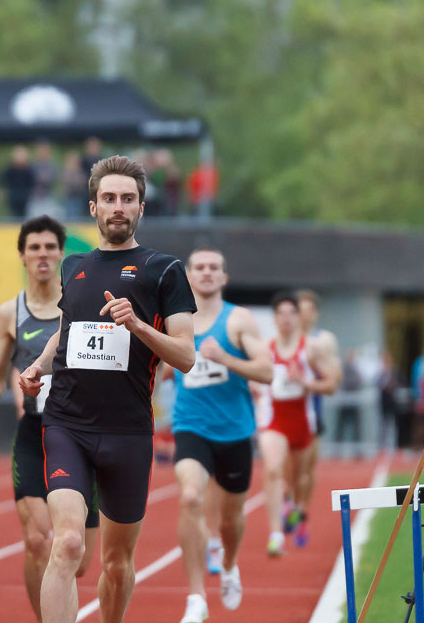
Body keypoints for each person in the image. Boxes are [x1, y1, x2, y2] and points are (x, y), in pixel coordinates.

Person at [19, 155, 196, 623]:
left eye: (128, 199)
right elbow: (67, 325)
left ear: (141, 208)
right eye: (110, 199)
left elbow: (186, 356)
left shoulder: (165, 271)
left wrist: (137, 325)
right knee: (69, 542)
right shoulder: (74, 264)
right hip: (67, 424)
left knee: (116, 565)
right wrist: (39, 365)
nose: (119, 207)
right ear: (93, 206)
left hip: (128, 431)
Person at [0, 216, 100, 620]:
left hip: (81, 435)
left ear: (62, 254)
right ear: (23, 256)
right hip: (34, 436)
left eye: (50, 247)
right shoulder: (10, 312)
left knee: (78, 560)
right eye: (34, 248)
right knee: (37, 540)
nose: (42, 254)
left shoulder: (82, 303)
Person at [170, 248, 272, 623]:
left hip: (234, 431)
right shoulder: (175, 322)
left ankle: (229, 564)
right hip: (191, 426)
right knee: (191, 496)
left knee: (230, 522)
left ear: (224, 277)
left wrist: (224, 358)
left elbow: (267, 372)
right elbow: (161, 367)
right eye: (200, 267)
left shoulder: (239, 320)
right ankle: (196, 597)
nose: (208, 273)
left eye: (214, 268)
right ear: (189, 276)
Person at [257, 292, 338, 557]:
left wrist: (305, 383)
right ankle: (275, 534)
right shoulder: (265, 348)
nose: (289, 319)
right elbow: (252, 375)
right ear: (275, 318)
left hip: (305, 420)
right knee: (273, 470)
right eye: (282, 314)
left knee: (301, 476)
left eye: (294, 313)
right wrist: (252, 386)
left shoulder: (314, 346)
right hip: (274, 420)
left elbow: (332, 381)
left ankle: (300, 511)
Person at [289, 289, 341, 545]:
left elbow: (335, 376)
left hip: (313, 411)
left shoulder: (324, 341)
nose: (304, 315)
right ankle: (290, 499)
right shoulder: (283, 338)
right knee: (287, 469)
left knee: (306, 471)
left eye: (309, 310)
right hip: (283, 412)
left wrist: (312, 381)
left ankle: (302, 513)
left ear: (315, 313)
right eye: (300, 310)